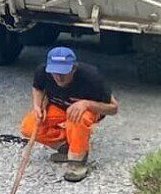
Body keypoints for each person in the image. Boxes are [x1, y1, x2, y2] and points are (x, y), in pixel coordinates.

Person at [23, 45, 117, 182]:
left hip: (88, 110)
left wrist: (86, 104)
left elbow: (113, 108)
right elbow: (37, 88)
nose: (59, 77)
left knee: (77, 117)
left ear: (73, 68)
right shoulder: (42, 72)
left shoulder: (91, 77)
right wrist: (38, 106)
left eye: (64, 72)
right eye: (55, 72)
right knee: (28, 125)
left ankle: (77, 162)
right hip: (59, 107)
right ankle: (65, 147)